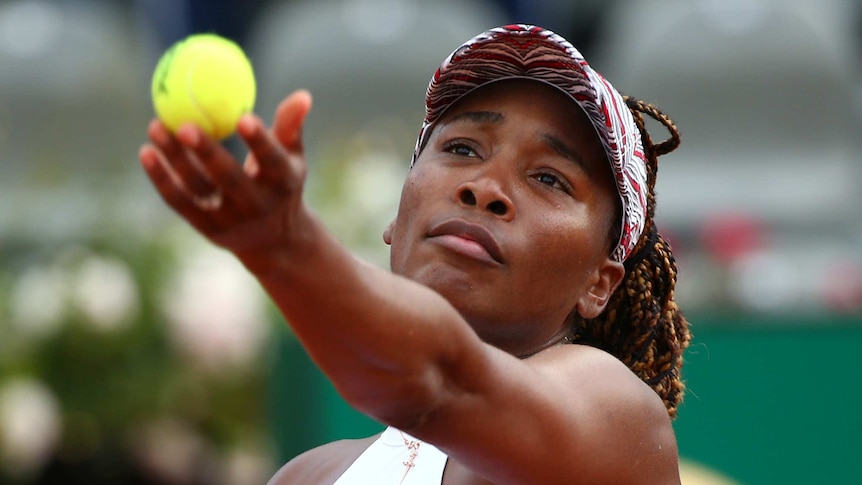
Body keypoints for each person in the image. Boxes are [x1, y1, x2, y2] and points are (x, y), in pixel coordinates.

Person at [139, 24, 690, 485]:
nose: (484, 187)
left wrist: (288, 249)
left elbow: (438, 381)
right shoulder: (307, 476)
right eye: (461, 148)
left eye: (549, 177)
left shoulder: (616, 416)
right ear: (396, 218)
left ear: (600, 281)